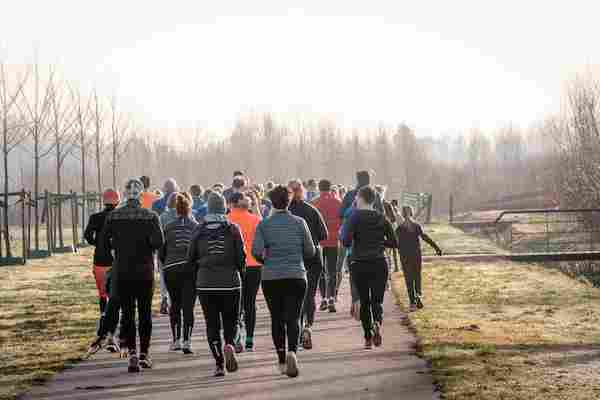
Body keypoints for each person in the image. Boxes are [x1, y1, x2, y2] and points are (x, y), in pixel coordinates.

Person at [98, 178, 164, 372]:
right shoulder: (151, 216)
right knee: (144, 313)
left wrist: (115, 247)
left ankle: (132, 354)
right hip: (144, 271)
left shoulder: (114, 216)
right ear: (141, 194)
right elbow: (159, 242)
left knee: (127, 314)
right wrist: (147, 245)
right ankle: (144, 354)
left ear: (125, 194)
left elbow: (103, 242)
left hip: (122, 271)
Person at [253, 185, 316, 378]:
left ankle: (281, 358)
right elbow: (310, 251)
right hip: (296, 275)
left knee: (277, 318)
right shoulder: (299, 222)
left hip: (272, 277)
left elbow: (256, 252)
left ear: (272, 202)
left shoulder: (264, 225)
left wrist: (267, 261)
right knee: (294, 317)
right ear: (288, 202)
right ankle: (292, 352)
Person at [188, 192, 246, 377]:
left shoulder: (198, 230)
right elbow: (241, 258)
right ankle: (229, 343)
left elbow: (190, 258)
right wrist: (238, 270)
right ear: (223, 208)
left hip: (206, 283)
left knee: (211, 324)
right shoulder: (233, 229)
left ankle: (219, 363)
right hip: (230, 282)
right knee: (231, 320)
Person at [341, 186, 398, 349]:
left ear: (360, 198)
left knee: (364, 302)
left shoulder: (354, 217)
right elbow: (395, 243)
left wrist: (356, 239)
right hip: (379, 262)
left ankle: (367, 337)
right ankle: (377, 323)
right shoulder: (382, 218)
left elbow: (345, 241)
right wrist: (380, 242)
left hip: (360, 263)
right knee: (377, 302)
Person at [288, 180, 327, 350]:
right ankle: (308, 326)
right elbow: (323, 234)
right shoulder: (312, 210)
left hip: (293, 258)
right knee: (310, 294)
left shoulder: (285, 213)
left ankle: (296, 328)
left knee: (294, 296)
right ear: (302, 192)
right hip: (313, 257)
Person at [159, 193, 198, 354]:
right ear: (190, 208)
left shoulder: (168, 226)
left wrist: (166, 262)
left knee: (175, 304)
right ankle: (187, 341)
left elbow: (161, 252)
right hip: (189, 269)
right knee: (188, 305)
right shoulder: (196, 226)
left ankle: (176, 340)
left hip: (171, 268)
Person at [84, 188, 121, 352]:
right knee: (115, 296)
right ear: (117, 201)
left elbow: (87, 235)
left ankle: (103, 319)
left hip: (99, 261)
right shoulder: (119, 218)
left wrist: (97, 244)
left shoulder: (95, 217)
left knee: (102, 295)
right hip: (115, 261)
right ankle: (112, 333)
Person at [228, 192, 262, 352]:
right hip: (254, 265)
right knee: (250, 303)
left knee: (235, 303)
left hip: (234, 265)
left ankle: (236, 336)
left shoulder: (228, 219)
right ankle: (250, 338)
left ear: (232, 204)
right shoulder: (255, 219)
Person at [396, 206, 442, 312]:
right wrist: (436, 247)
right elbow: (425, 237)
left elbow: (395, 243)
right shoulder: (416, 226)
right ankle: (418, 296)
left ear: (403, 214)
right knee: (417, 276)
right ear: (412, 213)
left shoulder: (399, 228)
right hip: (416, 255)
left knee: (408, 279)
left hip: (405, 256)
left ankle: (412, 302)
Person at [312, 179, 342, 312]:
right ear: (330, 188)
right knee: (332, 270)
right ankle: (332, 298)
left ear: (319, 188)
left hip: (319, 241)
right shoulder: (338, 202)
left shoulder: (314, 203)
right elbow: (342, 221)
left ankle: (323, 298)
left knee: (321, 270)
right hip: (334, 240)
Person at [157, 192, 179, 315]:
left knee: (163, 276)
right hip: (180, 253)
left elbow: (159, 236)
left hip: (165, 250)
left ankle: (164, 297)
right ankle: (174, 300)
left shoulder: (163, 217)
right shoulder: (185, 216)